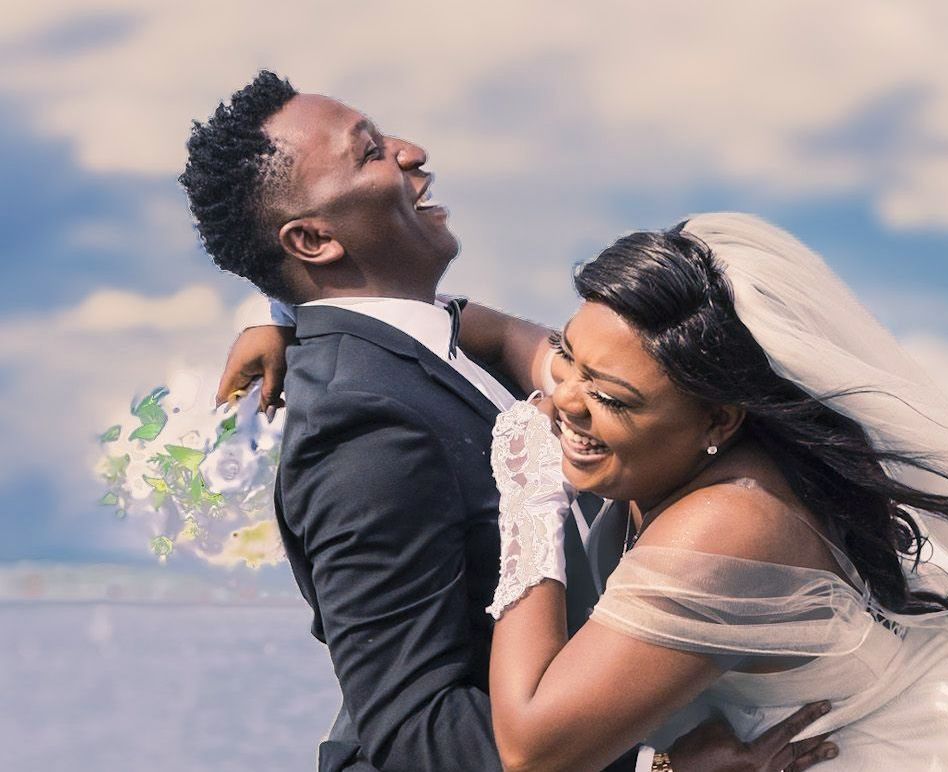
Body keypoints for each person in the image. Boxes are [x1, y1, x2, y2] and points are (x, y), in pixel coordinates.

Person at [228, 214, 948, 769]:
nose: (565, 403)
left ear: (720, 420)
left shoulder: (726, 524)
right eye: (571, 359)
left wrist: (530, 503)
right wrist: (293, 322)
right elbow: (500, 334)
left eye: (609, 399)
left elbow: (533, 744)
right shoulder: (650, 399)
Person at [185, 71, 835, 772]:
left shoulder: (430, 347)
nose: (411, 151)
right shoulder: (360, 427)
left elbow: (515, 345)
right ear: (314, 238)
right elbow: (415, 730)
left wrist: (284, 317)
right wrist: (657, 766)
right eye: (370, 152)